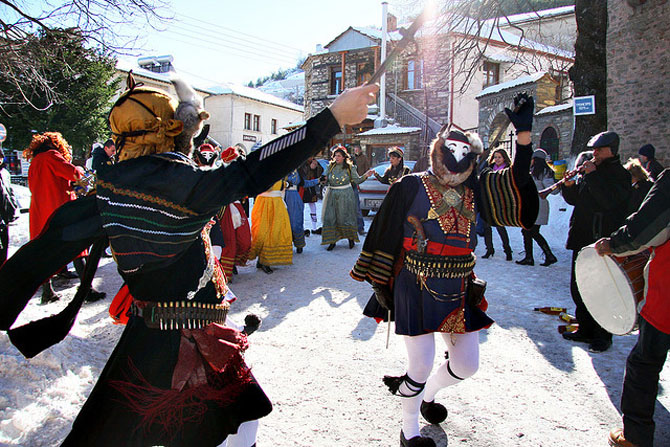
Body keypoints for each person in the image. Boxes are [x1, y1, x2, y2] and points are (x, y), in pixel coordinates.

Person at [0, 74, 378, 446]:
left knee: (221, 423)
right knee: (234, 425)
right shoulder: (189, 185)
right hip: (178, 341)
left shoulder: (107, 194)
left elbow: (32, 259)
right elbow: (255, 169)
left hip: (156, 337)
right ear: (176, 131)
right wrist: (330, 119)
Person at [351, 93, 539, 447]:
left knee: (467, 365)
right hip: (414, 284)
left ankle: (427, 396)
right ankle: (409, 429)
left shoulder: (476, 188)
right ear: (437, 152)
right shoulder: (408, 185)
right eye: (448, 153)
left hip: (459, 287)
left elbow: (518, 184)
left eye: (463, 155)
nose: (455, 161)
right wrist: (380, 283)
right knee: (420, 363)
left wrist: (524, 135)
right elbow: (384, 233)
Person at [594, 169, 670, 447]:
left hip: (667, 298)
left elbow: (645, 230)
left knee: (645, 364)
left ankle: (635, 437)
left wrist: (613, 244)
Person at [560, 131, 632, 353]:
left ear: (612, 150)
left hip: (601, 239)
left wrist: (591, 176)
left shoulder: (620, 175)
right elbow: (577, 200)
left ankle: (603, 335)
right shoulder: (591, 171)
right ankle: (585, 328)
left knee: (602, 290)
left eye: (599, 150)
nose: (595, 154)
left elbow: (608, 201)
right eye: (594, 150)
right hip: (582, 236)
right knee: (579, 286)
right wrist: (569, 186)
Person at [23, 132, 105, 304]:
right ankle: (87, 291)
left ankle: (47, 292)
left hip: (40, 213)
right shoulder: (51, 156)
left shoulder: (35, 162)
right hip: (59, 210)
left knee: (44, 252)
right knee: (77, 249)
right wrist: (86, 174)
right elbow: (74, 174)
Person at [321, 145, 372, 250]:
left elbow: (357, 180)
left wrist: (366, 175)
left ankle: (350, 239)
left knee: (346, 217)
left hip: (346, 195)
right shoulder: (330, 167)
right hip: (332, 195)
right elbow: (325, 179)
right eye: (335, 156)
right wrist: (323, 180)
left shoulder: (350, 167)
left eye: (339, 156)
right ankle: (332, 240)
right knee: (331, 217)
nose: (337, 158)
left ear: (344, 157)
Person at [516, 149, 558, 266]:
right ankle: (534, 256)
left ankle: (545, 255)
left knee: (530, 231)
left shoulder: (544, 172)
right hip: (532, 205)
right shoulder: (533, 171)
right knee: (529, 231)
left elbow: (552, 189)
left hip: (538, 205)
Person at [248, 178, 293, 274]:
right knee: (264, 230)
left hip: (276, 203)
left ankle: (265, 260)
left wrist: (285, 184)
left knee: (276, 230)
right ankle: (263, 260)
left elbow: (280, 184)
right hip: (265, 203)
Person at [480, 148, 513, 261]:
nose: (497, 159)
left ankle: (507, 250)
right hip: (488, 200)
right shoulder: (489, 169)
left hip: (500, 202)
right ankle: (489, 249)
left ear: (504, 158)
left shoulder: (508, 169)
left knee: (500, 227)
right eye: (495, 157)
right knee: (486, 227)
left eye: (499, 157)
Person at [285, 166, 320, 253]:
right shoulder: (281, 169)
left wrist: (318, 180)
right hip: (280, 196)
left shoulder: (298, 170)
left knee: (296, 221)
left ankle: (299, 244)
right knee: (283, 222)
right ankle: (284, 244)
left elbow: (304, 183)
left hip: (294, 197)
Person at [0, 149, 20, 265]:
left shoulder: (5, 173)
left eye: (1, 156)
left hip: (5, 216)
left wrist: (13, 209)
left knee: (4, 249)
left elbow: (10, 192)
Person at [299, 156, 324, 235]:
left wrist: (316, 166)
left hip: (311, 186)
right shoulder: (302, 162)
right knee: (300, 208)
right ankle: (301, 228)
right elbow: (302, 174)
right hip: (302, 187)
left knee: (313, 206)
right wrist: (310, 168)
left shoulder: (315, 162)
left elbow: (320, 172)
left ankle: (314, 227)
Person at [352, 144, 370, 236]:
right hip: (351, 183)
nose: (356, 151)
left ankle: (360, 227)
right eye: (354, 149)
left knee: (357, 209)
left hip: (361, 181)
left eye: (357, 149)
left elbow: (367, 169)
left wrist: (364, 178)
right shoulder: (351, 159)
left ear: (360, 150)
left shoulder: (364, 158)